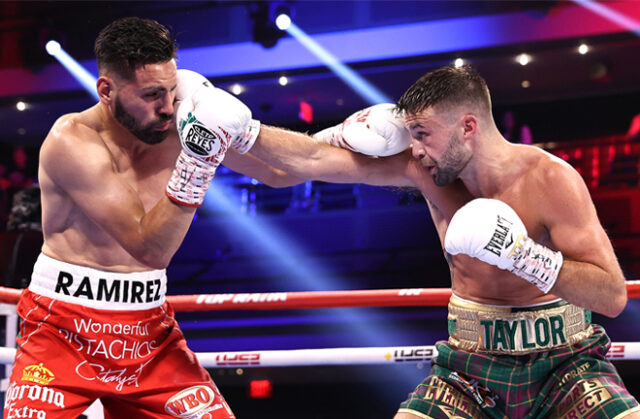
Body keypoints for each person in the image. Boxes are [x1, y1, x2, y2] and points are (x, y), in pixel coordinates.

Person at [244, 65, 640, 418]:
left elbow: (611, 297)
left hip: (566, 366)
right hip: (469, 369)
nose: (413, 149)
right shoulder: (425, 172)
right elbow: (305, 162)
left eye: (422, 135)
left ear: (468, 127)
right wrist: (236, 132)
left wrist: (522, 256)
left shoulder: (550, 179)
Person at [3, 17, 303, 418]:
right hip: (60, 330)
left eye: (171, 91)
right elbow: (150, 248)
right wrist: (197, 164)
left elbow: (282, 170)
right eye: (150, 94)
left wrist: (385, 155)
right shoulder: (70, 139)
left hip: (149, 333)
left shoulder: (179, 124)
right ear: (107, 90)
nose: (167, 106)